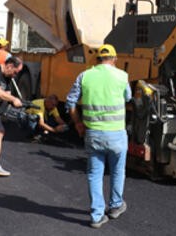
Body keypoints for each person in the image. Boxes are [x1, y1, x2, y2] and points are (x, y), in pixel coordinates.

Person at [66, 44, 131, 229]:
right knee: (118, 171)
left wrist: (78, 123)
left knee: (95, 174)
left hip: (93, 133)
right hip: (116, 133)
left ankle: (97, 216)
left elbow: (70, 102)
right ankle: (116, 206)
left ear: (97, 60)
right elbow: (128, 97)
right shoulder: (122, 76)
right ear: (114, 59)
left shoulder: (85, 75)